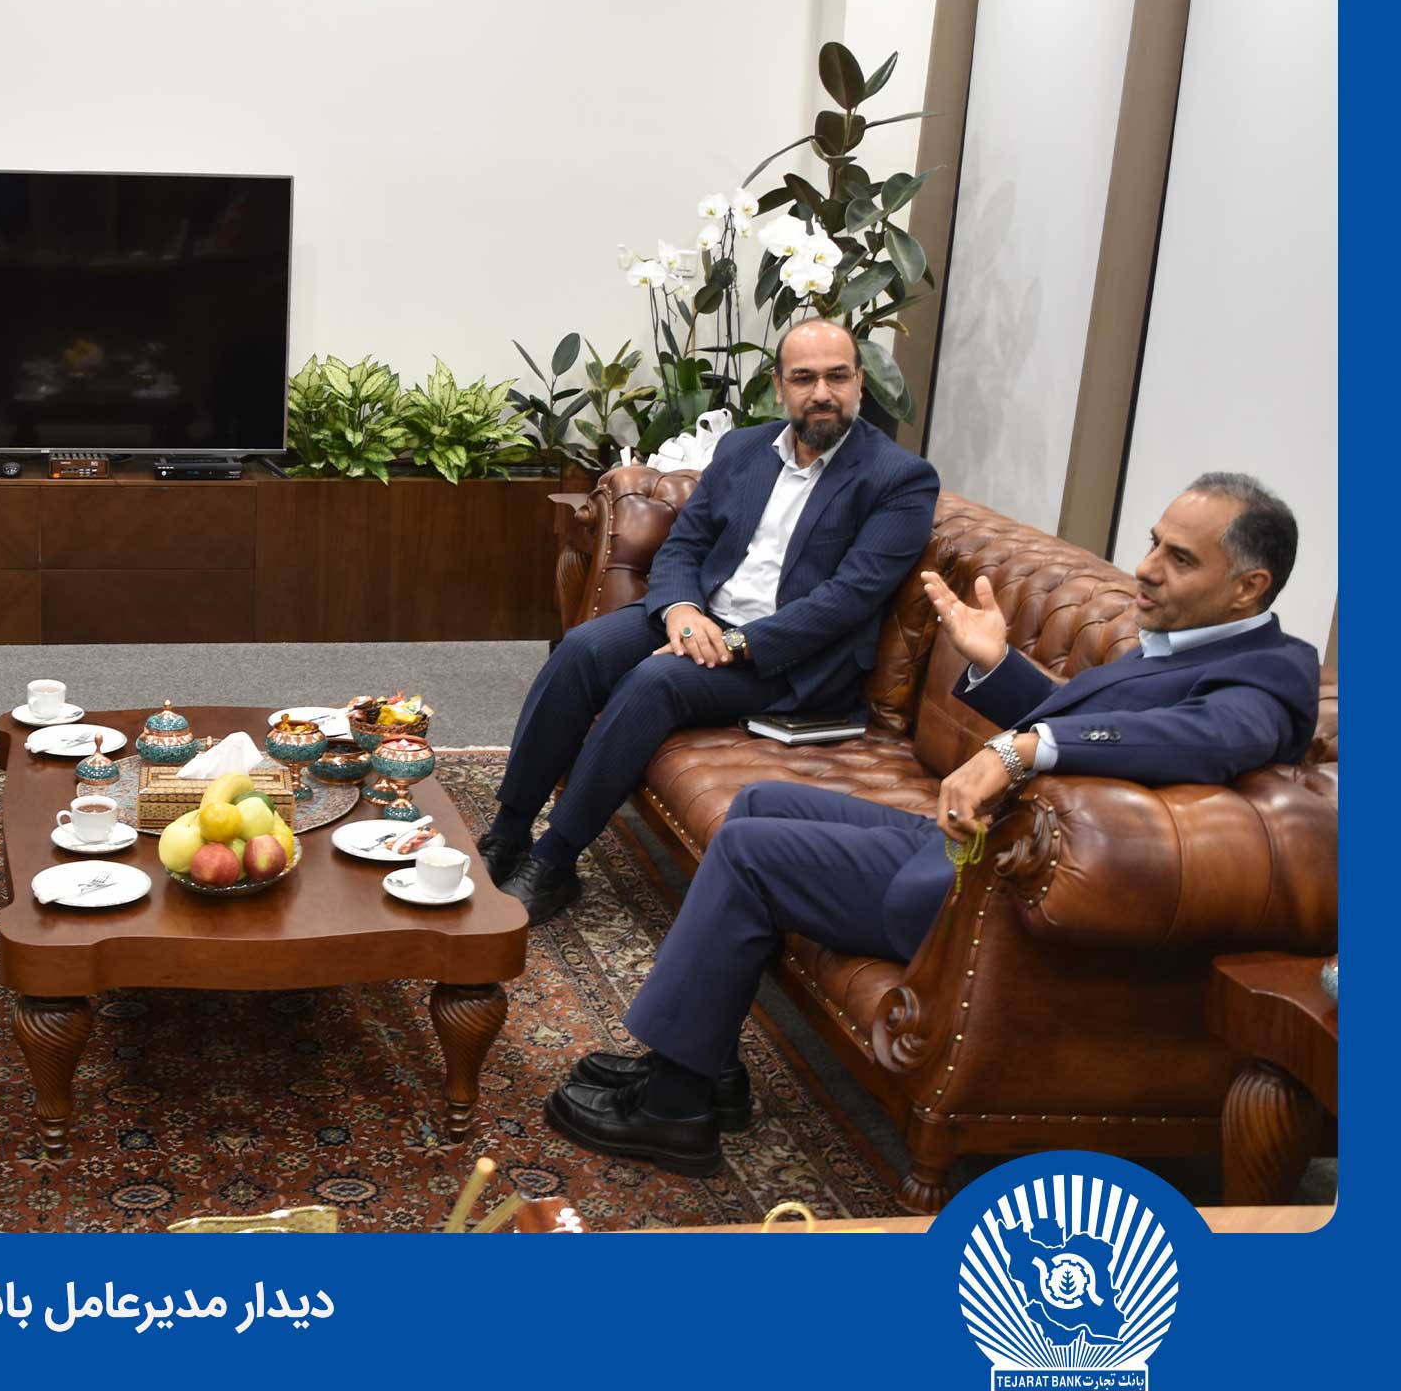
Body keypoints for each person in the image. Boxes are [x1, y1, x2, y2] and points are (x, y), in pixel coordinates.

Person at [544, 473, 1320, 1175]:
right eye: (1152, 543)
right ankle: (704, 1059)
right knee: (759, 803)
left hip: (992, 898)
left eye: (1179, 558)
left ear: (1248, 587)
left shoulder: (1268, 679)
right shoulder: (1185, 644)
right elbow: (1095, 732)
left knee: (752, 852)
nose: (1146, 567)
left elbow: (1198, 741)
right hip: (985, 849)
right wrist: (997, 665)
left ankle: (674, 1108)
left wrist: (1019, 749)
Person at [484, 319, 940, 925]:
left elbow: (848, 598)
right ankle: (509, 831)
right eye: (804, 378)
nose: (821, 393)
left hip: (789, 661)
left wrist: (735, 642)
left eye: (837, 377)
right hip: (703, 617)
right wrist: (682, 611)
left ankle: (555, 861)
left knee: (654, 682)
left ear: (860, 382)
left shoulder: (899, 479)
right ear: (779, 385)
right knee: (583, 649)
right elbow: (685, 545)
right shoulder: (744, 449)